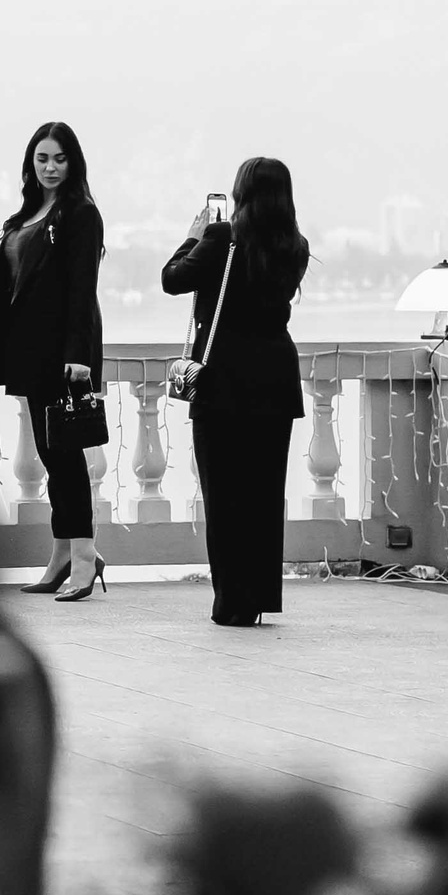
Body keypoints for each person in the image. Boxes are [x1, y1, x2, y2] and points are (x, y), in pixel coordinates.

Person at [0, 121, 106, 600]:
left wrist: (78, 357)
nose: (50, 167)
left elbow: (81, 289)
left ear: (73, 162)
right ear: (30, 163)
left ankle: (84, 556)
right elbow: (27, 282)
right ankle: (63, 552)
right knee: (49, 454)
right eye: (42, 158)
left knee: (66, 457)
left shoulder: (80, 214)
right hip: (32, 349)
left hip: (62, 356)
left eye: (59, 159)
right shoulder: (28, 213)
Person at [163, 157, 310, 627]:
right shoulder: (296, 245)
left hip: (223, 383)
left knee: (224, 497)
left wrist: (193, 233)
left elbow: (172, 279)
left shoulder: (221, 239)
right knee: (264, 497)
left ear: (240, 191)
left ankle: (232, 601)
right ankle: (261, 596)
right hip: (275, 381)